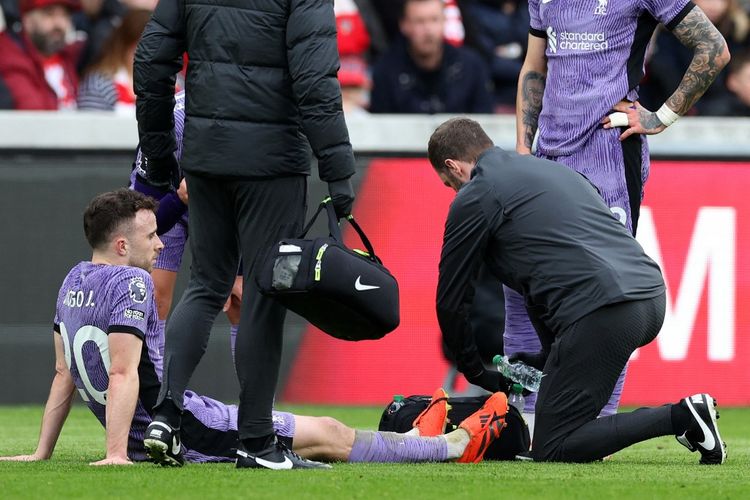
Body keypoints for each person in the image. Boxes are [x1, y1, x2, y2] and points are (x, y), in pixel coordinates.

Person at [0, 188, 509, 466]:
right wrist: (116, 456)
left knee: (314, 440)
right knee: (327, 434)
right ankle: (450, 447)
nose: (160, 246)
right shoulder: (130, 286)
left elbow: (63, 374)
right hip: (181, 427)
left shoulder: (72, 280)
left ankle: (420, 442)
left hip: (150, 431)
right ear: (120, 246)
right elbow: (123, 374)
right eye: (152, 237)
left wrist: (42, 453)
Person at [133, 0, 361, 471]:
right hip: (272, 162)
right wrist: (338, 170)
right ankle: (257, 441)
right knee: (263, 293)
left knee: (205, 284)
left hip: (206, 156)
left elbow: (152, 58)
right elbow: (315, 78)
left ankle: (165, 416)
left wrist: (158, 155)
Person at [428, 117, 726, 464]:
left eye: (449, 183)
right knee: (559, 432)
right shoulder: (554, 172)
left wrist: (476, 372)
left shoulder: (477, 194)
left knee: (554, 447)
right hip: (649, 296)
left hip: (604, 310)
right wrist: (546, 356)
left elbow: (451, 299)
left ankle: (685, 416)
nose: (453, 190)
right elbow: (557, 271)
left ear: (453, 166)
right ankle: (681, 418)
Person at [510, 0, 731, 428]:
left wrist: (660, 117)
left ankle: (597, 417)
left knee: (608, 290)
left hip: (608, 151)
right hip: (548, 157)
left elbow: (713, 47)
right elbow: (534, 66)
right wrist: (523, 149)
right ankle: (530, 415)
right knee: (528, 280)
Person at [369, 0, 493, 113]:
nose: (428, 30)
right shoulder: (386, 71)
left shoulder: (472, 67)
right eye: (419, 21)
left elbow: (485, 123)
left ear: (445, 21)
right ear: (404, 25)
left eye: (434, 20)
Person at [0, 0, 84, 110]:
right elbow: (33, 115)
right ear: (26, 18)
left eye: (65, 15)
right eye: (49, 14)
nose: (59, 24)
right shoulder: (12, 58)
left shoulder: (70, 56)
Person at [77, 9, 151, 114]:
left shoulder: (176, 83)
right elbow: (90, 128)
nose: (152, 53)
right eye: (143, 45)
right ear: (124, 44)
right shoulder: (99, 85)